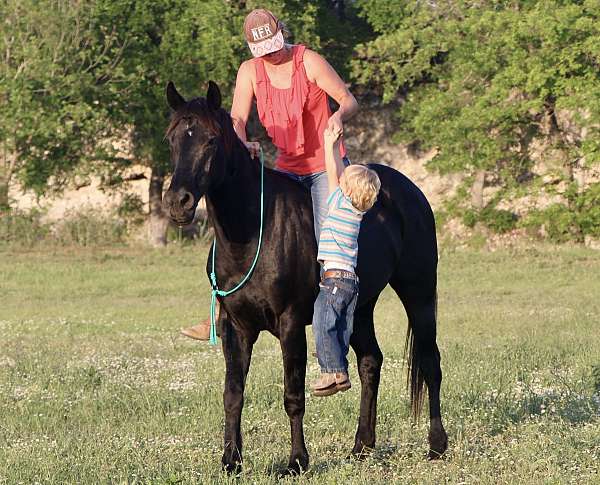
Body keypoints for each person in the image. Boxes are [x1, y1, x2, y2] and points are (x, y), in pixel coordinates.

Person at [181, 7, 359, 341]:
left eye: (274, 46)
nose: (271, 55)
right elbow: (236, 119)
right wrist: (242, 141)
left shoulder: (309, 62)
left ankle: (330, 320)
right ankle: (220, 310)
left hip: (326, 168)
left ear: (282, 36)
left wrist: (339, 118)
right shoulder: (249, 72)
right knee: (240, 227)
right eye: (263, 51)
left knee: (327, 239)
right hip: (286, 167)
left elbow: (348, 101)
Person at [310, 126, 380, 397]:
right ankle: (338, 367)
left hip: (335, 280)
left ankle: (331, 372)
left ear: (346, 189)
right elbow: (341, 175)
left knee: (322, 321)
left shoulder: (338, 203)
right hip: (351, 282)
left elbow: (332, 172)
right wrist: (338, 145)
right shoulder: (356, 211)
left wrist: (330, 147)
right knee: (340, 328)